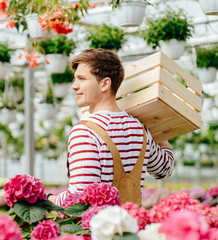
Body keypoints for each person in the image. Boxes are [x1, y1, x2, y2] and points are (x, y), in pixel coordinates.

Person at [48, 49, 174, 205]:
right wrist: (161, 127)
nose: (74, 86)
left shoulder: (85, 132)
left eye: (82, 79)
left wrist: (48, 199)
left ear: (105, 84)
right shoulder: (140, 129)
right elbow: (164, 169)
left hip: (97, 226)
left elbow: (78, 200)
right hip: (131, 225)